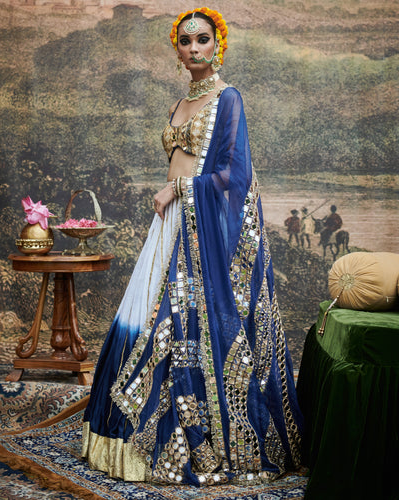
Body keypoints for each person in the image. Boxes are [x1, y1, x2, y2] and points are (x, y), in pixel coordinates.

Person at [82, 7, 303, 486]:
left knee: (184, 323)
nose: (194, 48)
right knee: (145, 316)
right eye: (185, 41)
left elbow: (233, 174)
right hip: (169, 225)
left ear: (217, 44)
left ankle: (196, 441)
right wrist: (173, 196)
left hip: (201, 228)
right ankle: (125, 437)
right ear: (177, 50)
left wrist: (179, 190)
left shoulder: (228, 99)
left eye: (202, 39)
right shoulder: (179, 104)